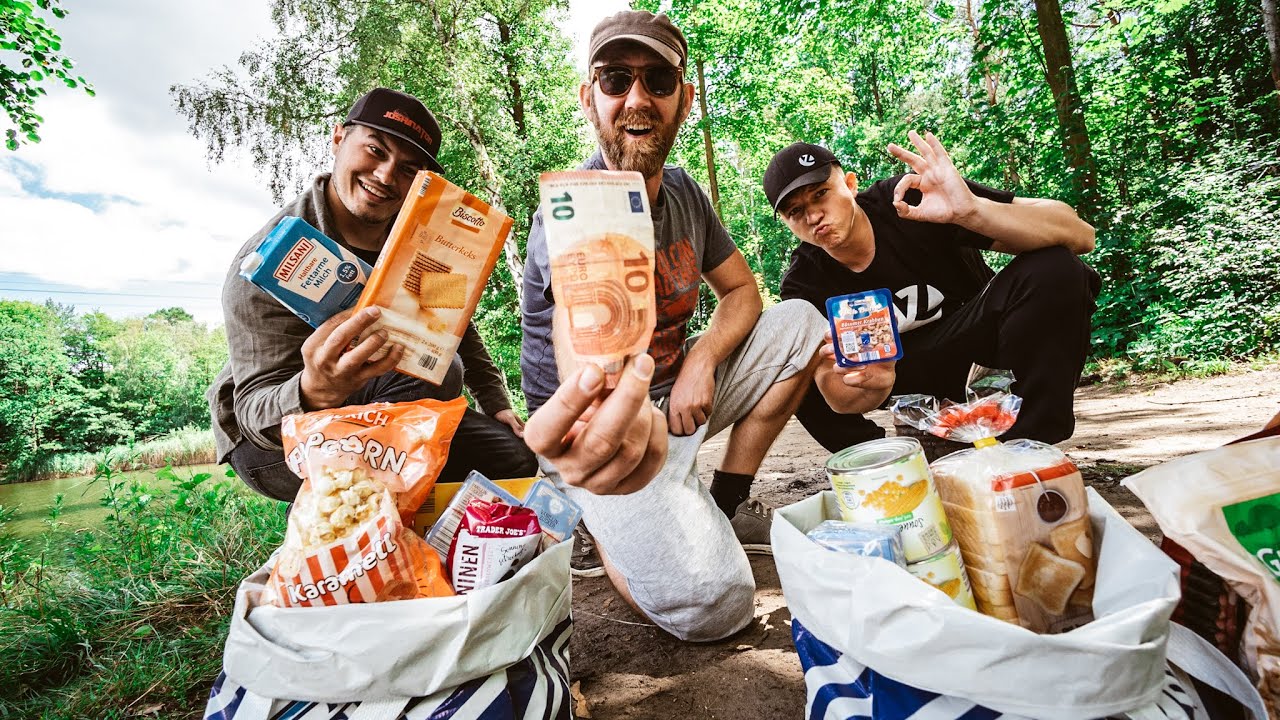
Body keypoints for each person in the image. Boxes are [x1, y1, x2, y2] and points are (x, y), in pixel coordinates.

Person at [519, 11, 838, 643]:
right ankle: (603, 521)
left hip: (680, 401)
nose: (637, 98)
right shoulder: (575, 210)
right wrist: (613, 435)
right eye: (616, 79)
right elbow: (578, 349)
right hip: (609, 435)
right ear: (589, 98)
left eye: (658, 80)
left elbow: (742, 291)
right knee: (718, 609)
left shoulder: (687, 194)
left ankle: (724, 500)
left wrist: (703, 358)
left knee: (801, 322)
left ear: (684, 101)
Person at [208, 87, 537, 503]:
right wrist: (314, 390)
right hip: (274, 441)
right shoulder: (263, 262)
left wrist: (495, 402)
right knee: (433, 375)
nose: (385, 176)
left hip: (388, 407)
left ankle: (411, 508)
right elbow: (253, 413)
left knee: (513, 458)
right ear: (338, 138)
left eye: (408, 169)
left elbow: (450, 321)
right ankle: (339, 521)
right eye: (376, 150)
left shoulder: (420, 236)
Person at [766, 135, 1100, 452]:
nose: (813, 215)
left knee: (1055, 266)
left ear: (850, 185)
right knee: (784, 353)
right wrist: (877, 382)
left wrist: (972, 211)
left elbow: (1081, 234)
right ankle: (885, 459)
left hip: (980, 348)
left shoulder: (908, 198)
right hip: (900, 378)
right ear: (785, 222)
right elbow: (837, 396)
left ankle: (1026, 442)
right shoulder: (804, 284)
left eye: (821, 194)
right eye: (795, 211)